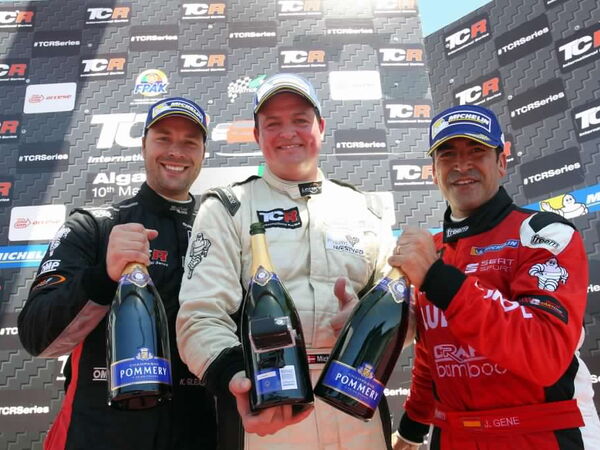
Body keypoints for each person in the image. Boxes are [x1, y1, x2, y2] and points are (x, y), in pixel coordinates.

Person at [177, 73, 396, 449]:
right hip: (269, 405)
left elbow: (404, 314)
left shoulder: (366, 208)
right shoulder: (228, 208)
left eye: (300, 120)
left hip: (356, 399)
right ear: (257, 135)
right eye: (273, 123)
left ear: (321, 127)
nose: (288, 133)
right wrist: (236, 377)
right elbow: (200, 315)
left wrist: (368, 327)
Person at [389, 104, 600, 449]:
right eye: (447, 155)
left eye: (476, 151)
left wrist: (439, 281)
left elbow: (545, 352)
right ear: (434, 172)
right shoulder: (434, 252)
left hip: (542, 434)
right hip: (456, 436)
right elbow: (434, 355)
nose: (462, 165)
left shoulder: (542, 233)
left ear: (501, 163)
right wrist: (412, 430)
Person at [18, 97, 217, 450]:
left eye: (189, 142)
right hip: (98, 433)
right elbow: (38, 338)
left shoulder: (221, 233)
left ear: (203, 153)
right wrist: (102, 277)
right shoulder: (94, 226)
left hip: (199, 432)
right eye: (163, 138)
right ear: (143, 146)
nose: (176, 151)